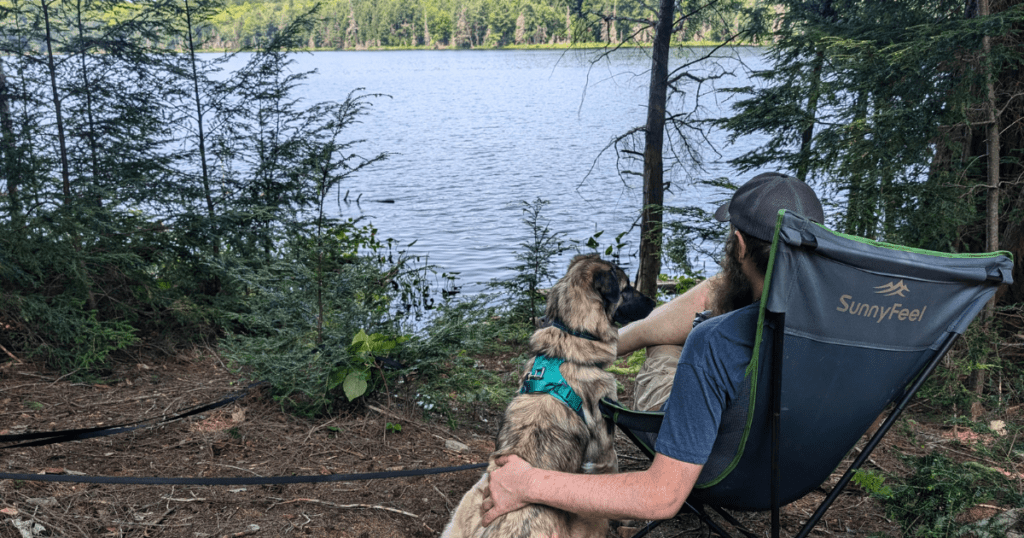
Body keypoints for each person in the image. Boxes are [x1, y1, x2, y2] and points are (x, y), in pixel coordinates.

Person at [480, 172, 825, 526]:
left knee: (667, 341)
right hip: (797, 468)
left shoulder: (713, 342)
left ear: (738, 245)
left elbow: (660, 496)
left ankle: (614, 343)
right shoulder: (856, 322)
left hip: (725, 469)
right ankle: (605, 345)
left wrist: (527, 482)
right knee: (716, 292)